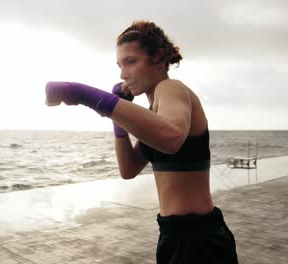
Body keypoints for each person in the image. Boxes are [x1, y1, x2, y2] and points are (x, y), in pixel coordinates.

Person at [45, 20, 238, 264]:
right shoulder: (155, 111)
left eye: (131, 62)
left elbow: (172, 138)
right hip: (172, 234)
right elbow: (128, 169)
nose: (123, 73)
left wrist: (84, 95)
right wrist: (118, 122)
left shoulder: (171, 88)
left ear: (158, 58)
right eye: (120, 65)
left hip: (198, 239)